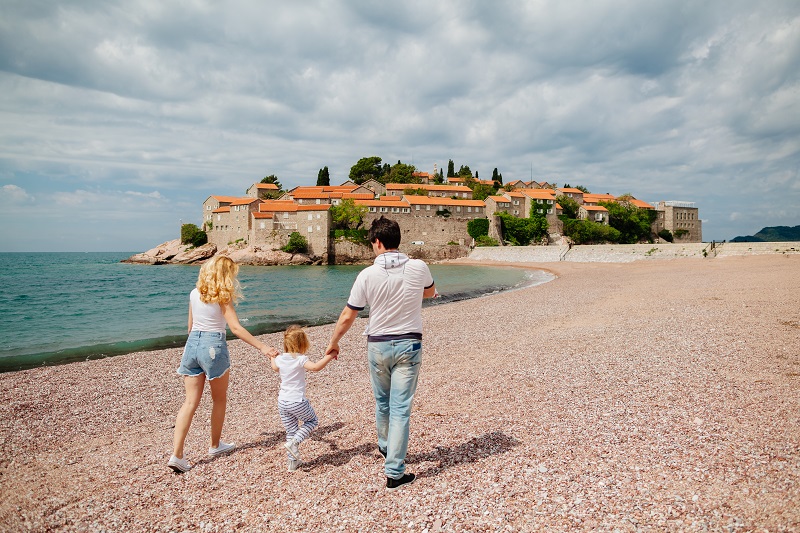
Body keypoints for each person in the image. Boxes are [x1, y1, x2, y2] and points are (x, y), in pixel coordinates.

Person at [326, 216, 436, 491]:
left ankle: (387, 449)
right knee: (400, 408)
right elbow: (430, 292)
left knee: (383, 402)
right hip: (409, 344)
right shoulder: (419, 266)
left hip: (377, 345)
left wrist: (334, 341)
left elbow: (348, 315)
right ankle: (394, 472)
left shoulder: (367, 275)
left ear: (377, 242)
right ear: (397, 240)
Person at [168, 255, 279, 473]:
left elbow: (190, 327)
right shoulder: (222, 296)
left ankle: (177, 455)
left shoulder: (194, 293)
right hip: (213, 346)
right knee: (219, 399)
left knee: (190, 403)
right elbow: (235, 329)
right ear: (225, 275)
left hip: (192, 346)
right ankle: (215, 445)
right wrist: (263, 348)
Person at [270, 325, 336, 471]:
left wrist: (272, 357)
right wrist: (329, 357)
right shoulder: (300, 359)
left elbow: (275, 368)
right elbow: (315, 367)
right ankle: (295, 442)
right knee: (312, 421)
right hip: (297, 401)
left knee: (291, 430)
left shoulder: (280, 359)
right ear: (302, 343)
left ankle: (292, 463)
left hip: (282, 402)